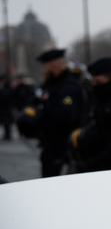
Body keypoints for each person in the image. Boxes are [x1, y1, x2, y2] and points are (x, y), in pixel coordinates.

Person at [26, 49, 83, 177]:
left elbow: (66, 117)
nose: (42, 71)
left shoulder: (68, 87)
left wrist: (40, 112)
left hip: (61, 150)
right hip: (53, 147)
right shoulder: (55, 85)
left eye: (45, 68)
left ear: (55, 67)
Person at [0, 75, 13, 140]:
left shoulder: (7, 88)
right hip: (4, 108)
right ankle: (7, 134)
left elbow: (5, 96)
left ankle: (8, 134)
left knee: (6, 122)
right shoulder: (4, 87)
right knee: (5, 122)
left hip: (6, 107)